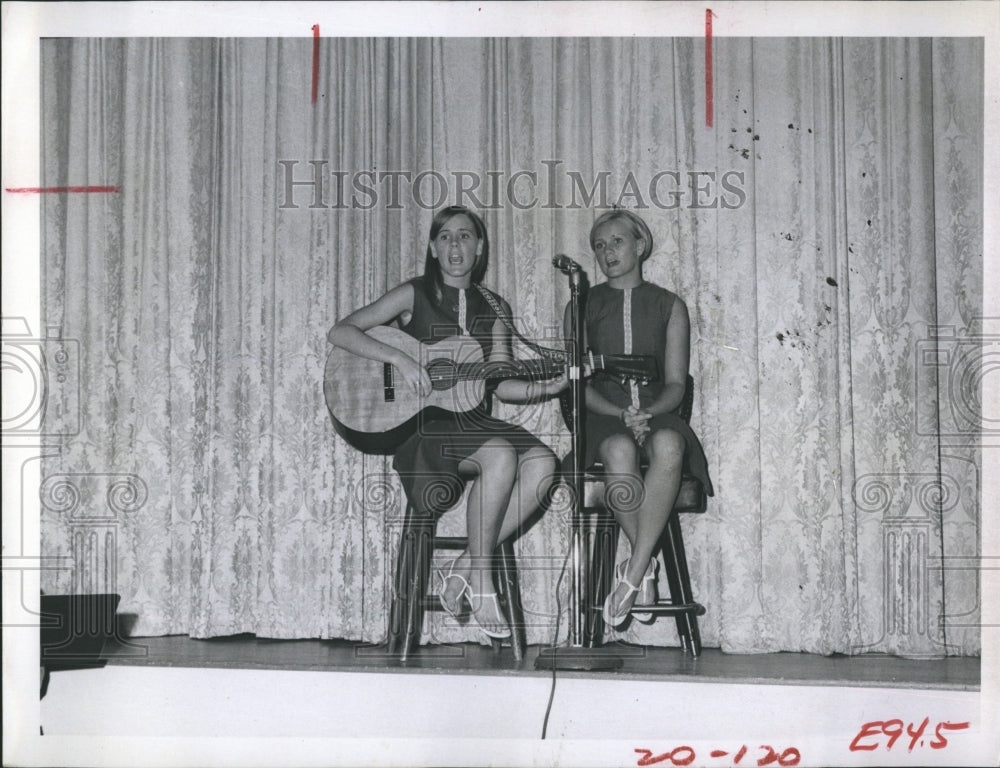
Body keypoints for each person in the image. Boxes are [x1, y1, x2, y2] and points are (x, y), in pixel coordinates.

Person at [328, 205, 566, 639]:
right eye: (445, 237)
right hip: (426, 429)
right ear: (434, 249)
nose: (455, 246)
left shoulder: (495, 307)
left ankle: (466, 564)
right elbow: (341, 332)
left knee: (544, 464)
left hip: (473, 421)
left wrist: (546, 388)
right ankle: (483, 579)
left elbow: (502, 382)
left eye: (465, 237)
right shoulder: (413, 293)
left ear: (479, 248)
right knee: (498, 456)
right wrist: (401, 358)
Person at [566, 209, 714, 628]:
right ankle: (644, 564)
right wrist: (620, 414)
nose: (607, 251)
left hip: (659, 413)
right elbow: (578, 386)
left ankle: (632, 570)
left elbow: (675, 383)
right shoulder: (581, 305)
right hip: (603, 417)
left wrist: (648, 413)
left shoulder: (670, 305)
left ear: (640, 245)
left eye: (617, 241)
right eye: (599, 245)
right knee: (617, 448)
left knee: (670, 445)